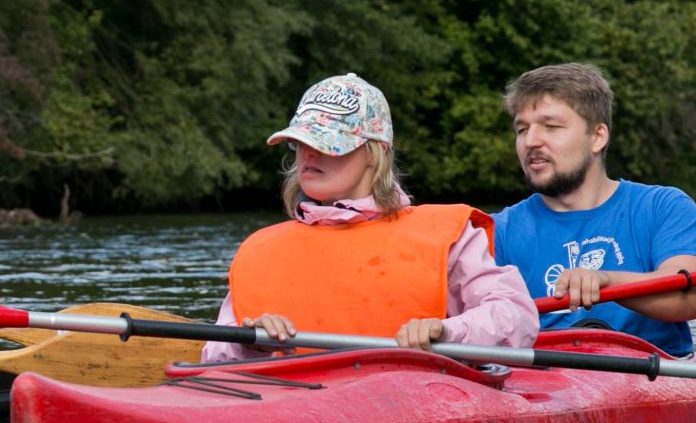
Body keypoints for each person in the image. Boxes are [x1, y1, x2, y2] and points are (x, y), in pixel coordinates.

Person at [198, 74, 537, 364]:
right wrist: (251, 343)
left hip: (409, 401)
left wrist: (447, 332)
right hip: (288, 403)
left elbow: (516, 316)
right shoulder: (260, 250)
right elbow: (214, 356)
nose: (309, 154)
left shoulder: (446, 235)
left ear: (375, 153)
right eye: (300, 142)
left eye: (327, 143)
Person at [491, 63, 696, 355]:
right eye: (522, 129)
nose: (530, 141)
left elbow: (693, 299)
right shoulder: (496, 231)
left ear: (597, 137)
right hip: (543, 374)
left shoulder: (664, 206)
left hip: (655, 368)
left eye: (551, 127)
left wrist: (607, 281)